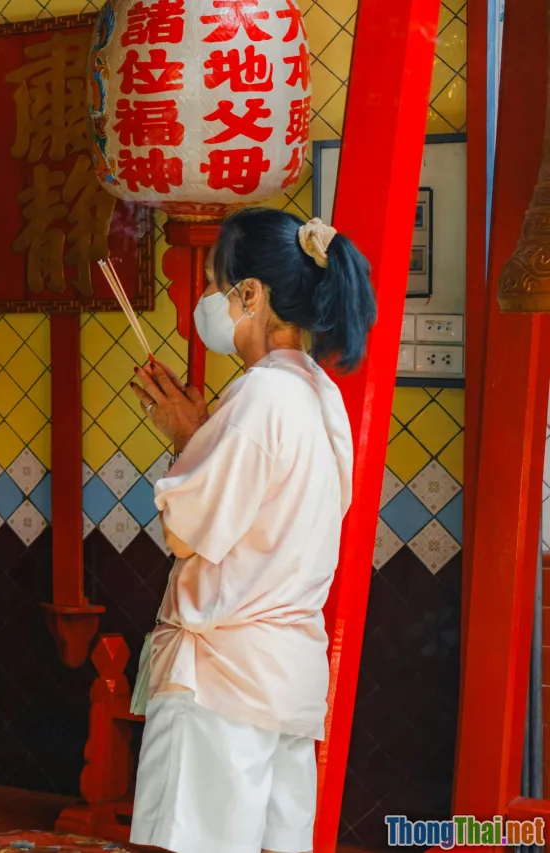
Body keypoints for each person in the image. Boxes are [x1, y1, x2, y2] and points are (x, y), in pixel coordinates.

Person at [126, 209, 376, 853]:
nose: (208, 301)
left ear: (251, 295)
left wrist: (188, 439)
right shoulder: (322, 396)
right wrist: (201, 437)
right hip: (287, 678)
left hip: (221, 682)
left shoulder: (260, 396)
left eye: (215, 285)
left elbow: (188, 531)